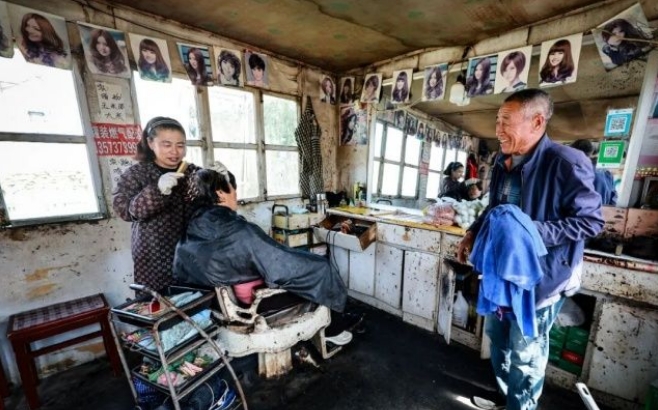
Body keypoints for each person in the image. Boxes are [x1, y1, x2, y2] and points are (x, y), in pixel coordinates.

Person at [457, 89, 603, 410]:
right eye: (497, 121)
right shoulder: (501, 161)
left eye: (506, 121)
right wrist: (472, 232)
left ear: (537, 122)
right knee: (497, 340)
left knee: (526, 353)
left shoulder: (566, 163)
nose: (498, 129)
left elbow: (591, 222)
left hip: (540, 280)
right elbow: (494, 208)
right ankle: (505, 399)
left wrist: (532, 233)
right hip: (502, 273)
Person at [173, 164, 361, 343]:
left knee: (306, 263)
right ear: (220, 193)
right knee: (322, 268)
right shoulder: (240, 231)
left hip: (220, 303)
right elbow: (279, 265)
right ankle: (334, 328)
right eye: (233, 189)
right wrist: (314, 262)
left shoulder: (193, 227)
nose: (236, 195)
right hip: (255, 302)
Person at [113, 117, 200, 292]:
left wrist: (221, 179)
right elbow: (124, 211)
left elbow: (211, 202)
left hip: (191, 250)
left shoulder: (192, 172)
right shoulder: (136, 174)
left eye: (180, 145)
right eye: (167, 145)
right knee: (157, 300)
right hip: (153, 255)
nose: (175, 151)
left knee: (193, 298)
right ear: (151, 143)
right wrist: (156, 190)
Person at [571, 139, 617, 205]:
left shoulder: (577, 172)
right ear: (591, 152)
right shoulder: (606, 173)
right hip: (604, 210)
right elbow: (613, 199)